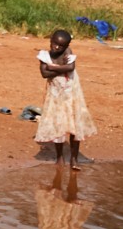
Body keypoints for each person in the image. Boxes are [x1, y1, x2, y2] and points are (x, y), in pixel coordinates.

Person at [36, 28, 96, 170]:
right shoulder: (44, 55)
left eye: (61, 46)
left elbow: (70, 68)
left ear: (67, 46)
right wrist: (59, 67)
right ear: (50, 41)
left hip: (72, 94)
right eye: (55, 44)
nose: (57, 47)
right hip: (56, 95)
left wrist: (52, 68)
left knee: (74, 127)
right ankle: (59, 158)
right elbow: (44, 74)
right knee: (59, 125)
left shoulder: (68, 53)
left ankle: (74, 159)